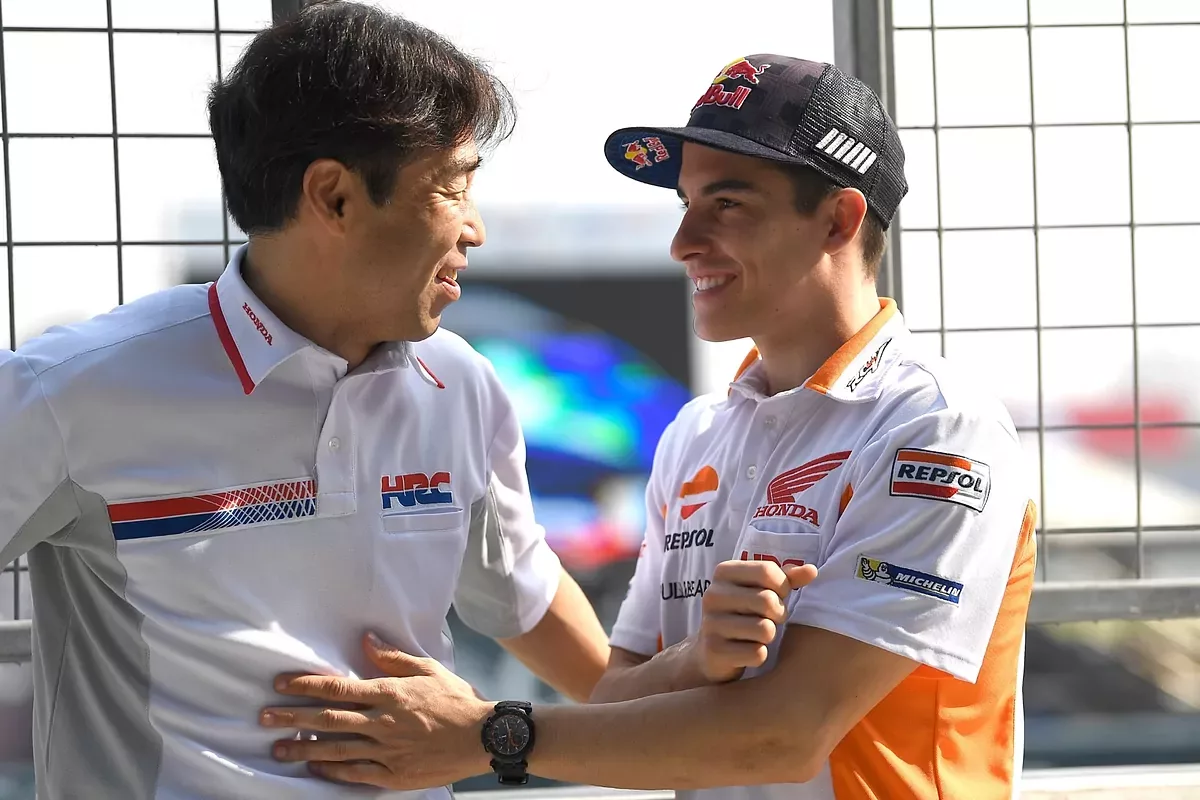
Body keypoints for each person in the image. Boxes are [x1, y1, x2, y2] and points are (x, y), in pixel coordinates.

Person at [261, 54, 1038, 799]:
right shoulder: (695, 435)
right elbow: (614, 698)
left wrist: (484, 734)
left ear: (839, 219)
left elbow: (787, 735)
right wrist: (697, 659)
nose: (683, 242)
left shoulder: (939, 428)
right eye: (685, 205)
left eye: (726, 205)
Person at [0, 2, 610, 797]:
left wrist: (678, 712)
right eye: (454, 188)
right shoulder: (70, 392)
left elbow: (522, 600)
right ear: (334, 196)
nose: (475, 229)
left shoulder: (461, 384)